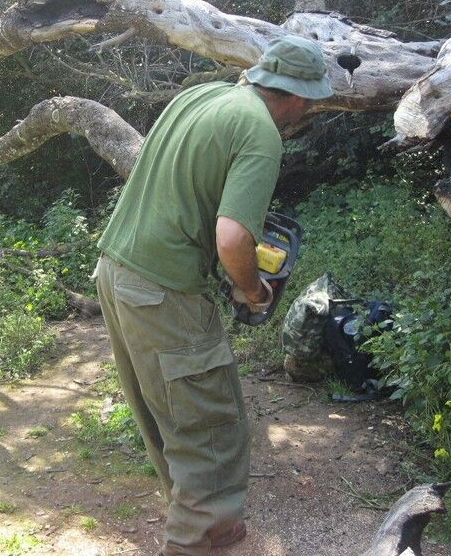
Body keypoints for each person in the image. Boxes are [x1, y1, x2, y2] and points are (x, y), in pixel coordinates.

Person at [94, 35, 334, 555]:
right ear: (292, 93)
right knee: (211, 433)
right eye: (312, 97)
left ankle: (211, 528)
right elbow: (232, 237)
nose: (312, 109)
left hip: (116, 271)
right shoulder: (260, 132)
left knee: (167, 416)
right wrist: (251, 290)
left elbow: (185, 188)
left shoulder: (199, 97)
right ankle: (195, 540)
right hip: (163, 291)